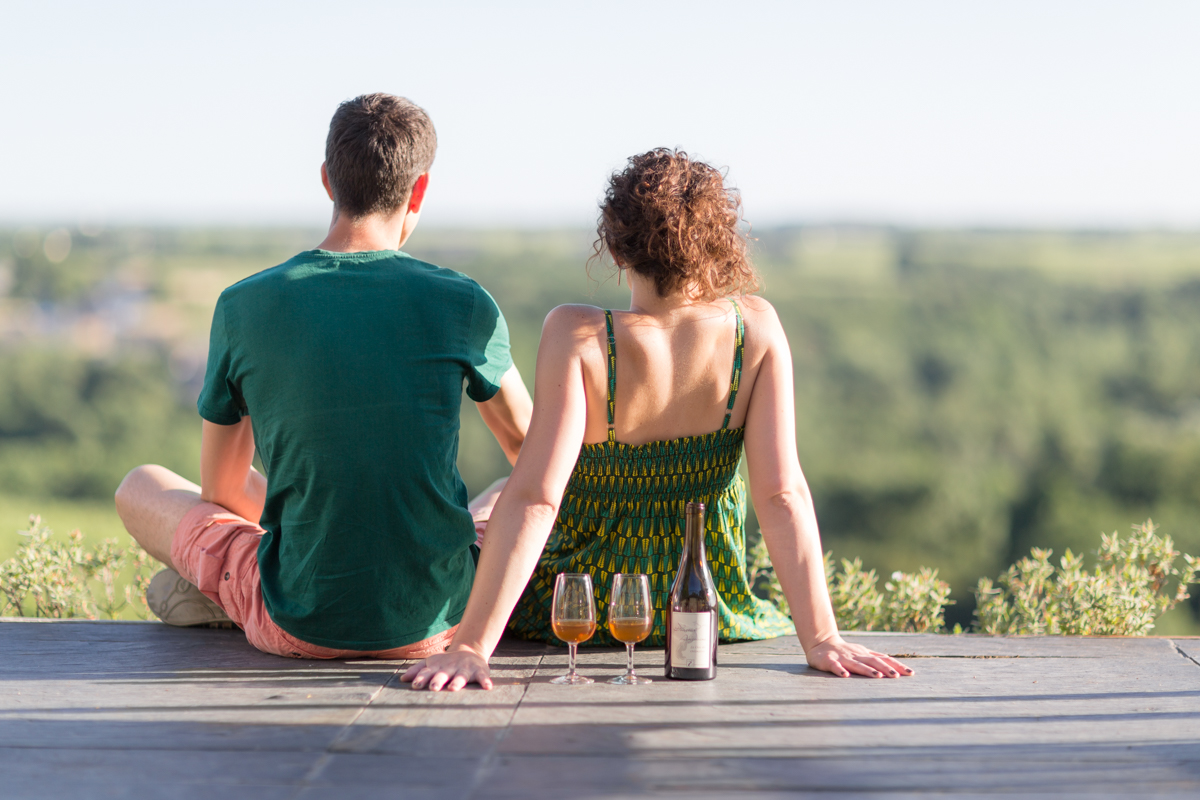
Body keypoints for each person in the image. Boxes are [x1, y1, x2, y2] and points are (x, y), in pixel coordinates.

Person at [404, 149, 913, 690]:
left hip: (580, 607)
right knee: (505, 489)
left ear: (619, 248)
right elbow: (781, 493)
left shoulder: (577, 334)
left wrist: (473, 647)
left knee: (499, 494)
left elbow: (537, 499)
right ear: (717, 245)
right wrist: (822, 638)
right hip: (699, 608)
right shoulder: (756, 330)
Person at [114, 93, 532, 659]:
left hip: (296, 624)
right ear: (420, 190)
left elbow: (224, 493)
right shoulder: (465, 302)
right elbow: (532, 457)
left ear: (326, 181)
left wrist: (315, 514)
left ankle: (227, 588)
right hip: (441, 624)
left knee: (140, 485)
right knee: (515, 488)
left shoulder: (241, 305)